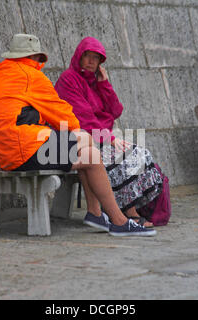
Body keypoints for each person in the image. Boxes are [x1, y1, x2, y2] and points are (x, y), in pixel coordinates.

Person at [0, 34, 156, 237]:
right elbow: (59, 110)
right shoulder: (30, 75)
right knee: (87, 148)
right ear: (36, 57)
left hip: (10, 148)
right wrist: (76, 130)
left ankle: (96, 213)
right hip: (24, 150)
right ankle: (118, 220)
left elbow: (16, 111)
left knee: (86, 152)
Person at [55, 37, 171, 227]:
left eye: (96, 58)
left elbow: (116, 110)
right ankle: (130, 214)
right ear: (79, 57)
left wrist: (104, 84)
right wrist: (108, 138)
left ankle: (131, 210)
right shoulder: (69, 79)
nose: (92, 62)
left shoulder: (95, 81)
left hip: (101, 138)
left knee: (141, 155)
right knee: (123, 158)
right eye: (88, 57)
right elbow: (83, 117)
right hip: (82, 140)